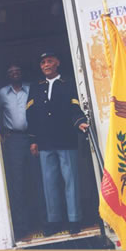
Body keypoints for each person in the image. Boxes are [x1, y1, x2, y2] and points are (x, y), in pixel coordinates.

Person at [26, 52, 89, 236]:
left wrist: (80, 122)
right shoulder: (36, 88)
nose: (46, 64)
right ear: (40, 66)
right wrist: (33, 139)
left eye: (50, 61)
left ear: (57, 63)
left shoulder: (68, 83)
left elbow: (75, 107)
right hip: (45, 142)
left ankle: (74, 220)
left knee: (71, 181)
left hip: (66, 139)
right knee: (49, 183)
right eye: (43, 62)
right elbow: (31, 116)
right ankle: (54, 222)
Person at [0, 63, 31, 241]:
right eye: (11, 72)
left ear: (22, 73)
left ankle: (44, 221)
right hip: (14, 141)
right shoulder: (2, 93)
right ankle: (22, 226)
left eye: (18, 70)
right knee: (18, 183)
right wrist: (1, 134)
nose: (15, 73)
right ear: (7, 75)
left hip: (34, 138)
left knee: (37, 180)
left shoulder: (30, 89)